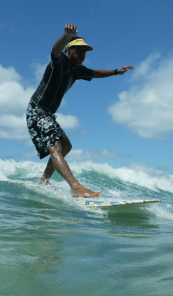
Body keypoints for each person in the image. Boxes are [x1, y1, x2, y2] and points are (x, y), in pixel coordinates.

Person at [26, 24, 134, 198]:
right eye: (79, 51)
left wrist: (116, 72)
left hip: (48, 114)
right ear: (69, 51)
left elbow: (96, 73)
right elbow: (55, 50)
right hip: (37, 110)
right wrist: (65, 36)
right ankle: (75, 187)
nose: (83, 55)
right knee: (56, 146)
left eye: (85, 52)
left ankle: (43, 181)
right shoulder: (60, 61)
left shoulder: (77, 70)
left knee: (66, 145)